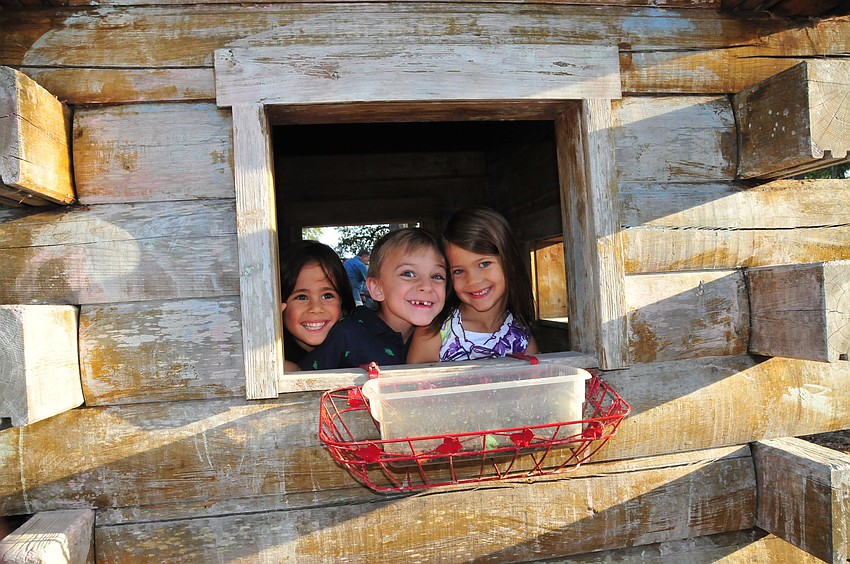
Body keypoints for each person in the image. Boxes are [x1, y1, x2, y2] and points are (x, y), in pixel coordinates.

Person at [299, 228, 447, 370]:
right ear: (377, 289)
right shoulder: (348, 333)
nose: (427, 286)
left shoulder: (449, 333)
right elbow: (302, 380)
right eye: (408, 274)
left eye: (437, 276)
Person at [407, 206, 539, 363]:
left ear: (509, 261)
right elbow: (416, 385)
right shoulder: (434, 333)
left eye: (484, 264)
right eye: (458, 271)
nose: (473, 281)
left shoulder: (523, 340)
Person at [280, 240, 356, 371]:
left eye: (327, 295)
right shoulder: (269, 357)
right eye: (301, 297)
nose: (315, 308)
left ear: (342, 301)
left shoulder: (359, 345)